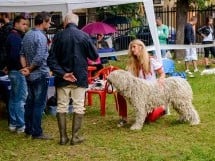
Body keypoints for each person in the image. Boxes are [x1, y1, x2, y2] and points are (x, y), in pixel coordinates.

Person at [47, 12, 98, 145]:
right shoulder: (84, 36)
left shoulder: (58, 36)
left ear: (65, 22)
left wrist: (63, 73)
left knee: (61, 106)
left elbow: (51, 60)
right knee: (78, 106)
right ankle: (75, 137)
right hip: (79, 77)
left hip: (63, 77)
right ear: (77, 23)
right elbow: (94, 56)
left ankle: (63, 137)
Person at [117, 39, 166, 127]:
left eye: (134, 47)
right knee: (120, 93)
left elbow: (162, 73)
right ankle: (123, 118)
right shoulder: (131, 63)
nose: (132, 49)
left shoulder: (151, 60)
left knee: (149, 119)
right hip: (138, 90)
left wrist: (161, 78)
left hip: (151, 90)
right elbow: (128, 77)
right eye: (131, 47)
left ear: (140, 47)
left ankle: (162, 109)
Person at [20, 12, 52, 139]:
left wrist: (25, 68)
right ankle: (37, 132)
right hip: (39, 74)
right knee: (39, 104)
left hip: (29, 74)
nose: (49, 25)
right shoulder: (41, 37)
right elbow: (39, 58)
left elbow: (21, 53)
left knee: (30, 102)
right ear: (43, 21)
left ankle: (28, 129)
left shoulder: (27, 35)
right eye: (49, 22)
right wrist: (30, 68)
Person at [5, 15, 28, 133]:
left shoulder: (13, 36)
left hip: (13, 70)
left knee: (14, 97)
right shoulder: (14, 37)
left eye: (26, 24)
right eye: (23, 24)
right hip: (18, 71)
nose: (25, 27)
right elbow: (15, 55)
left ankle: (13, 123)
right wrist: (23, 67)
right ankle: (20, 124)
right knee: (20, 98)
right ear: (16, 24)